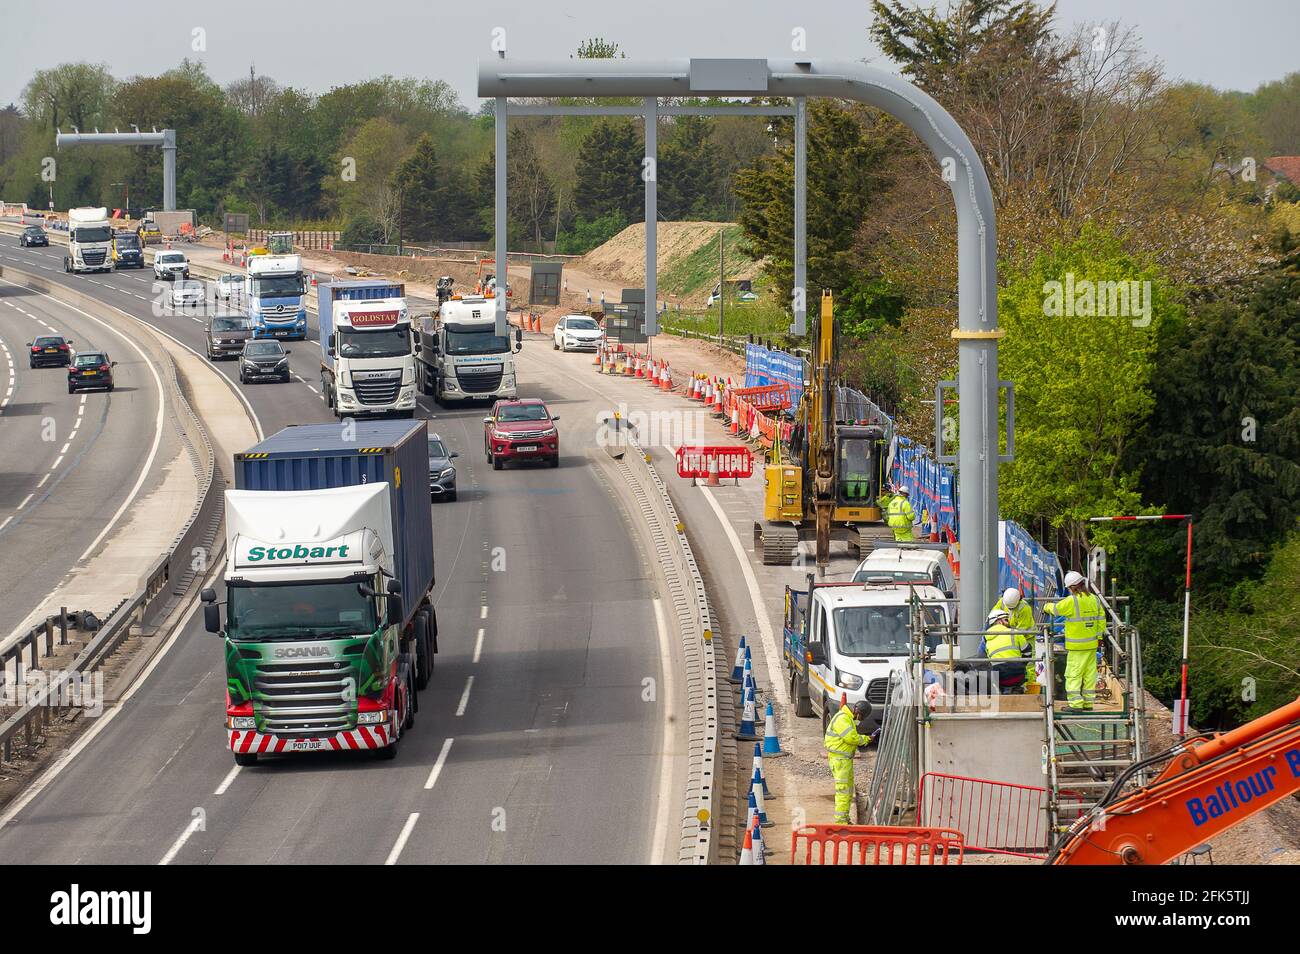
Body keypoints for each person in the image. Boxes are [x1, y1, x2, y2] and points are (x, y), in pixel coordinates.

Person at [1042, 571, 1107, 711]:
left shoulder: (1072, 601)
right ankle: (1088, 703)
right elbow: (1101, 620)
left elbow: (1056, 609)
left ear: (1072, 587)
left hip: (1077, 647)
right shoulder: (1095, 600)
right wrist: (1100, 638)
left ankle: (1076, 705)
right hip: (1091, 645)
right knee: (1089, 675)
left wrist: (1046, 606)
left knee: (1073, 675)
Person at [824, 700, 872, 824]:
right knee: (843, 792)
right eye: (861, 717)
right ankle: (841, 822)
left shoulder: (847, 718)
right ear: (858, 711)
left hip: (844, 760)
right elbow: (851, 738)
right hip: (839, 760)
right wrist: (866, 739)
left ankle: (845, 819)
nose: (860, 719)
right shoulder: (843, 718)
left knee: (848, 791)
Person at [981, 607, 1032, 692]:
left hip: (999, 677)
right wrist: (1019, 664)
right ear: (999, 621)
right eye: (1006, 620)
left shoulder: (986, 639)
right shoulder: (1015, 633)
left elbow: (985, 659)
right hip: (1017, 674)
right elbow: (1028, 653)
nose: (1009, 622)